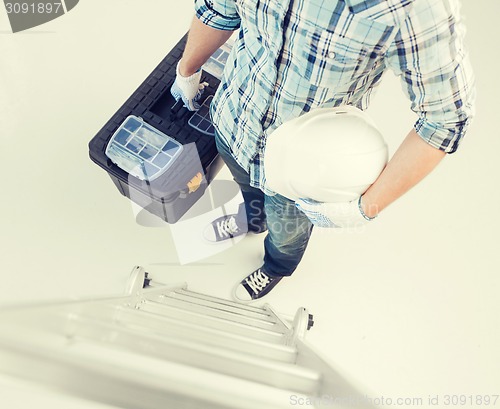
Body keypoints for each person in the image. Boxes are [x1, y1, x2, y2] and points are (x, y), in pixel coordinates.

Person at [170, 0, 475, 302]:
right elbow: (218, 10)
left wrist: (365, 207)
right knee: (248, 190)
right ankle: (252, 219)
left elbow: (446, 118)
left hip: (304, 167)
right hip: (235, 120)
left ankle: (277, 266)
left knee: (287, 231)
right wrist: (187, 71)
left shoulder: (415, 8)